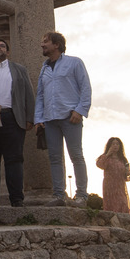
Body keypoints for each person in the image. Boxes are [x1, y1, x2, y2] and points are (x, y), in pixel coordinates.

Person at [34, 31, 92, 207]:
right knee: (54, 158)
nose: (42, 45)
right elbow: (40, 95)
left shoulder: (74, 62)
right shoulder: (44, 68)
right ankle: (59, 195)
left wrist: (80, 110)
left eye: (46, 41)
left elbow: (85, 88)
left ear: (57, 45)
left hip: (70, 117)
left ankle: (82, 195)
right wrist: (38, 119)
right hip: (50, 119)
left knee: (76, 155)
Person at [0, 37, 35, 208]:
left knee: (14, 160)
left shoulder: (19, 70)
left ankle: (17, 199)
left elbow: (28, 94)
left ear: (7, 52)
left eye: (2, 46)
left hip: (12, 118)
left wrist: (30, 118)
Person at [95, 137, 130, 214]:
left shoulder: (123, 159)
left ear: (120, 146)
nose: (115, 146)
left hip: (120, 187)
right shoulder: (106, 157)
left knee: (123, 203)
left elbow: (128, 176)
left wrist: (127, 172)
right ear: (109, 146)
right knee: (111, 205)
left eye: (117, 144)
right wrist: (108, 154)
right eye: (113, 144)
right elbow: (100, 165)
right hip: (109, 186)